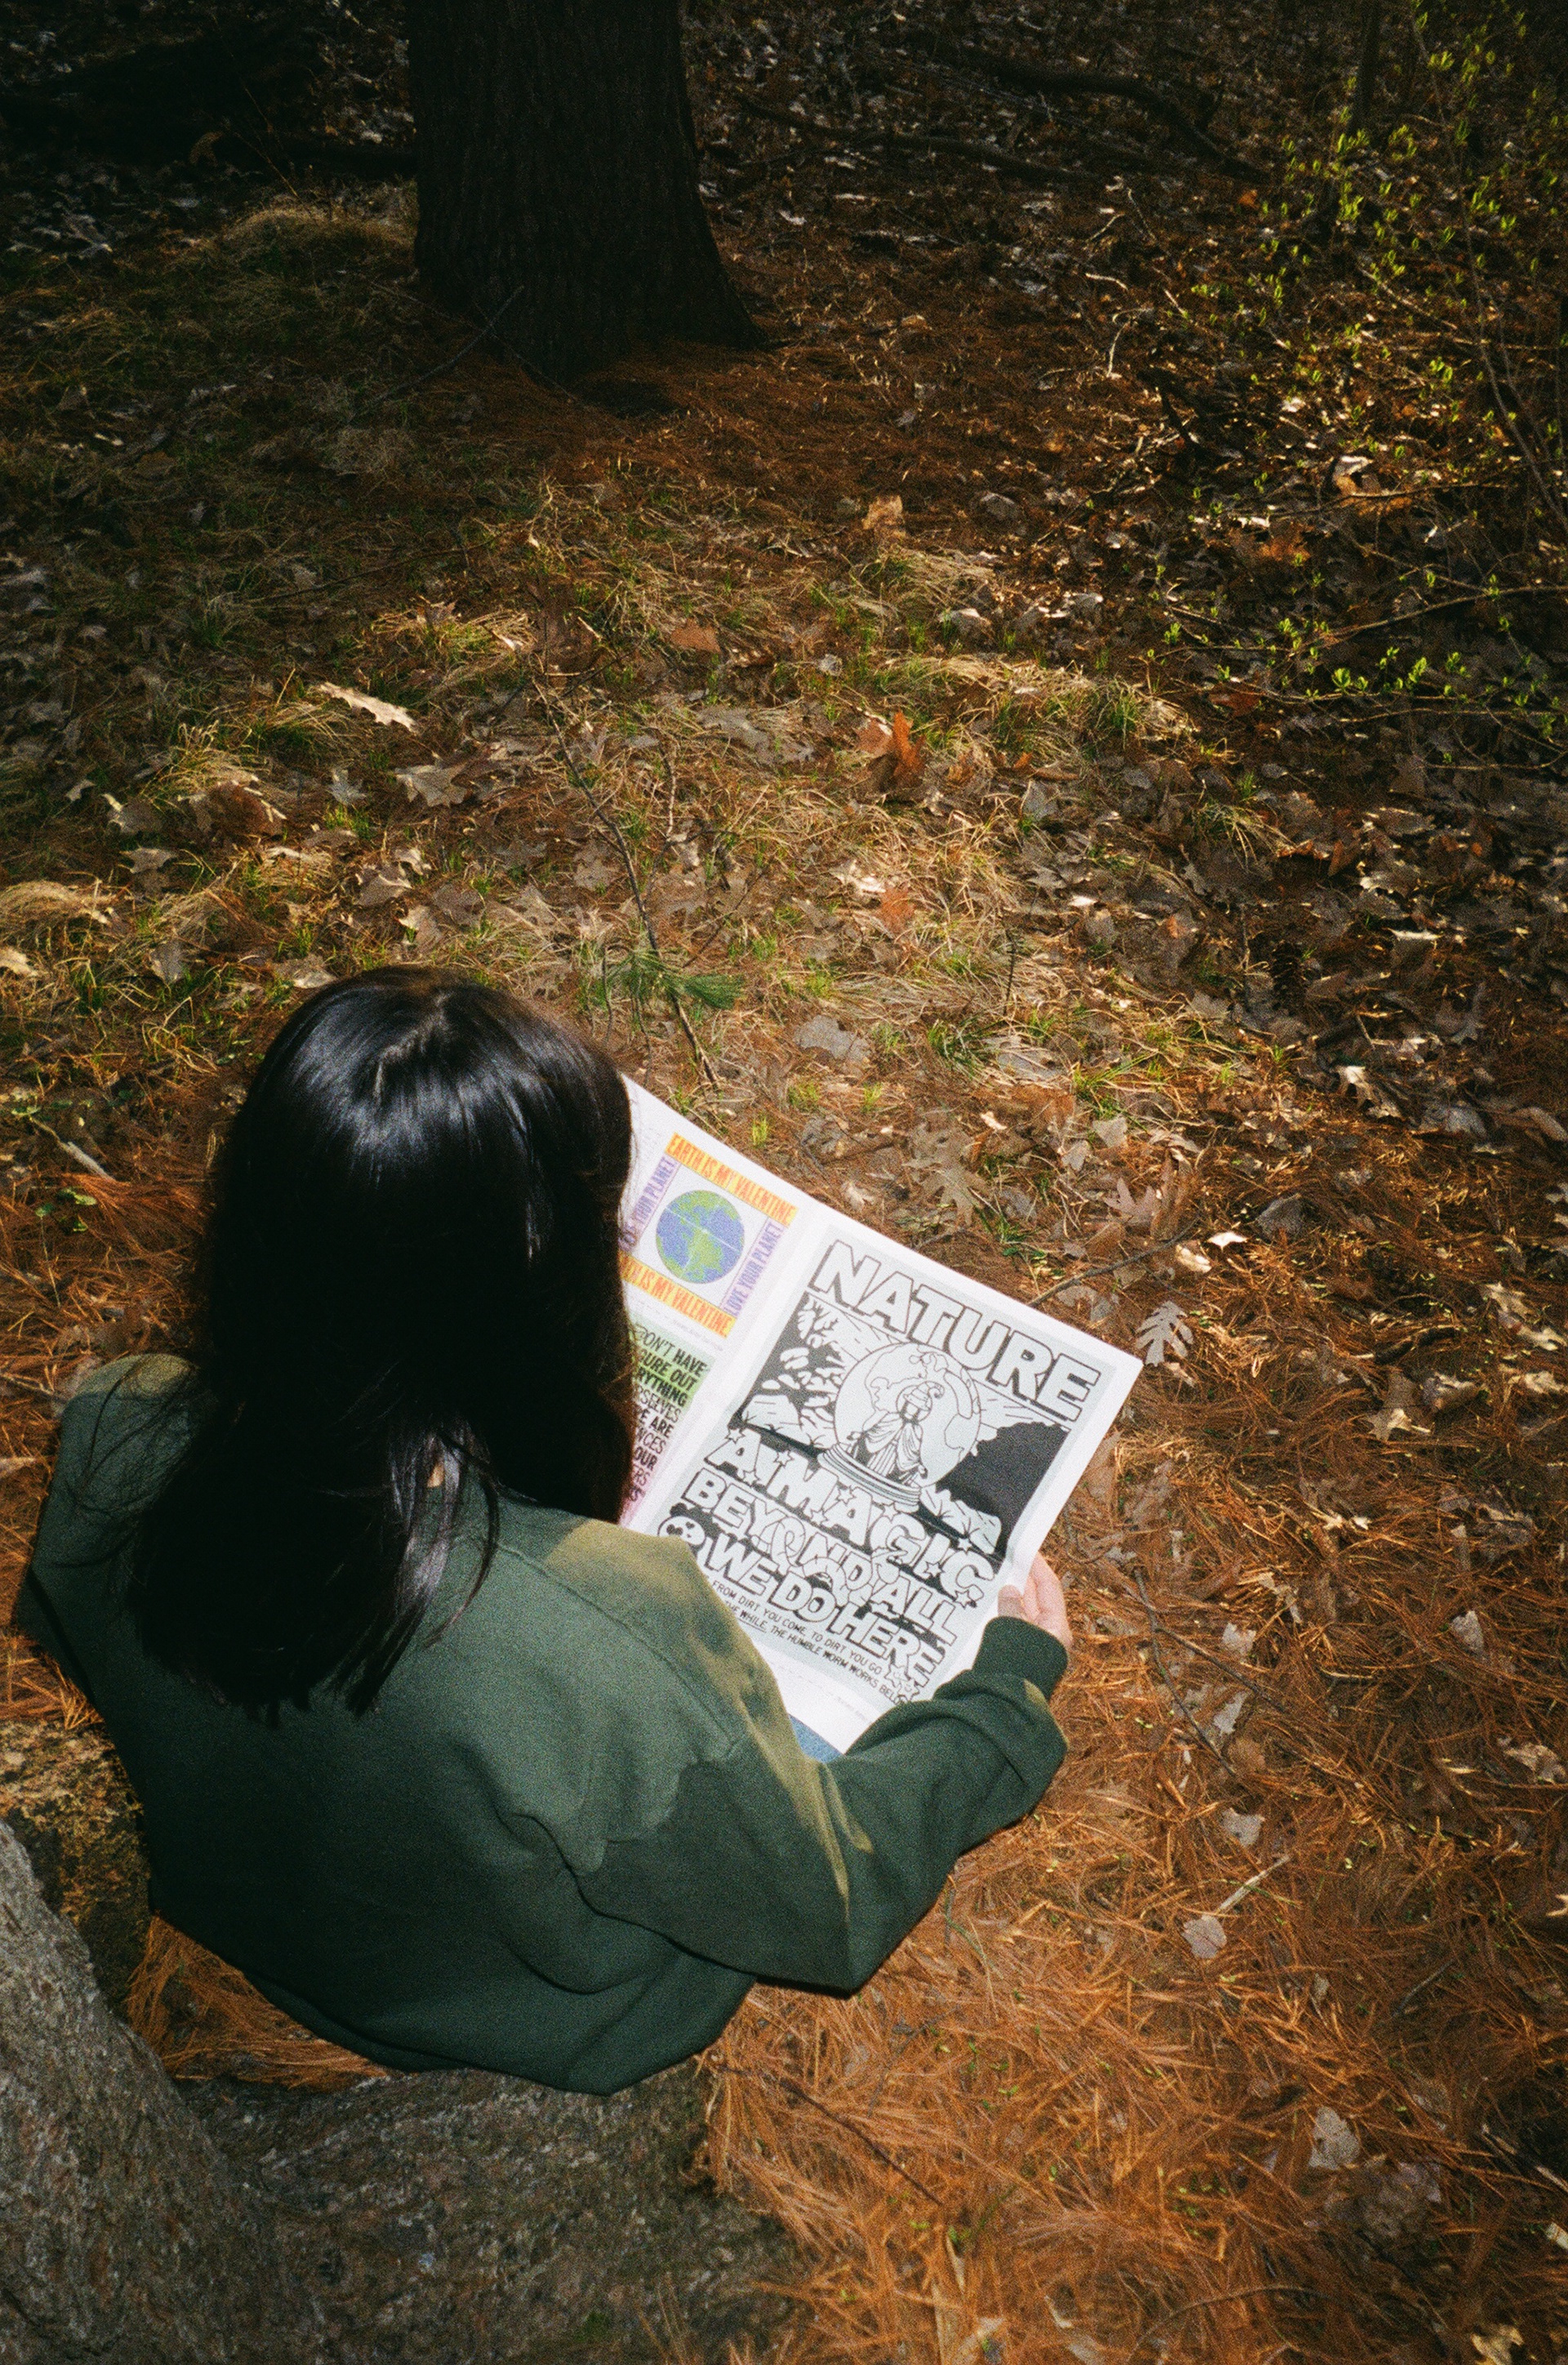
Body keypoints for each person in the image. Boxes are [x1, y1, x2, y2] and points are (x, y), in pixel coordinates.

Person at [17, 971, 1072, 2096]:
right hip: (523, 2004)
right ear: (530, 1286)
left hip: (261, 1899)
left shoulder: (114, 1425)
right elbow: (833, 1902)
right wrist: (999, 1707)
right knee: (787, 1753)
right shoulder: (608, 1634)